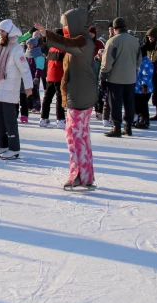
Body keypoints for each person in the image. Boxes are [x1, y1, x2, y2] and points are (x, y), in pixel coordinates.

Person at [36, 10, 98, 189]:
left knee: (75, 136)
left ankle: (79, 175)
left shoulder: (82, 41)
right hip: (78, 94)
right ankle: (85, 175)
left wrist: (47, 34)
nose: (64, 28)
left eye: (66, 25)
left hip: (80, 96)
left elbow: (67, 44)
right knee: (78, 135)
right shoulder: (82, 39)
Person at [0, 20, 34, 160]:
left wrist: (28, 86)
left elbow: (25, 69)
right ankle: (3, 145)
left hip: (9, 89)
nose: (0, 34)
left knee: (10, 120)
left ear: (9, 32)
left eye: (2, 31)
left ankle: (14, 148)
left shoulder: (16, 49)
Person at [99, 17, 141, 138]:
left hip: (115, 78)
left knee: (115, 103)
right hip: (130, 78)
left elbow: (107, 62)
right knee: (129, 103)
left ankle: (116, 127)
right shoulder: (135, 41)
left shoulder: (113, 41)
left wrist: (103, 76)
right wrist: (133, 69)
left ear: (115, 28)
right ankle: (128, 126)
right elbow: (139, 60)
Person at [40, 29, 66, 129]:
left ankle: (43, 118)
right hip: (60, 76)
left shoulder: (51, 49)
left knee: (47, 98)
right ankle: (60, 119)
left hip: (50, 76)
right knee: (59, 99)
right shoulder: (63, 49)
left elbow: (48, 62)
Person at [19, 38, 44, 124]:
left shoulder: (38, 53)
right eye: (28, 44)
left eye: (31, 44)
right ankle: (29, 105)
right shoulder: (27, 53)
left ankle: (36, 105)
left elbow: (40, 65)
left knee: (34, 90)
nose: (29, 46)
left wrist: (37, 76)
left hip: (34, 75)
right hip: (27, 75)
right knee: (27, 90)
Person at [143, 28, 157, 122]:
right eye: (148, 37)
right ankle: (143, 114)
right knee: (145, 94)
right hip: (147, 74)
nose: (150, 39)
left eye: (151, 37)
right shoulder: (145, 47)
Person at [134, 49, 155, 129]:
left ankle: (144, 121)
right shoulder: (138, 62)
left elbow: (146, 75)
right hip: (137, 88)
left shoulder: (145, 62)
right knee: (138, 105)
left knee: (142, 105)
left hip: (143, 89)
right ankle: (139, 119)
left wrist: (144, 85)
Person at [90, 26, 105, 121]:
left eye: (92, 33)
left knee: (97, 90)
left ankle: (98, 109)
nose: (90, 35)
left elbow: (103, 53)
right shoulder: (85, 42)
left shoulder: (98, 43)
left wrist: (99, 56)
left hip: (96, 66)